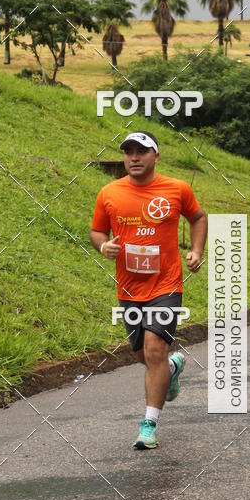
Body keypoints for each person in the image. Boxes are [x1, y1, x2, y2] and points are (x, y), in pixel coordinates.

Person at [90, 130, 207, 449]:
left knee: (154, 348)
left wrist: (196, 251)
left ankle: (149, 426)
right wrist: (103, 247)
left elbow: (197, 217)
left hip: (166, 284)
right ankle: (171, 368)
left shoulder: (177, 188)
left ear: (156, 155)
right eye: (128, 152)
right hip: (129, 288)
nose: (134, 157)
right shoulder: (109, 192)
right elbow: (97, 231)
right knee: (143, 353)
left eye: (141, 151)